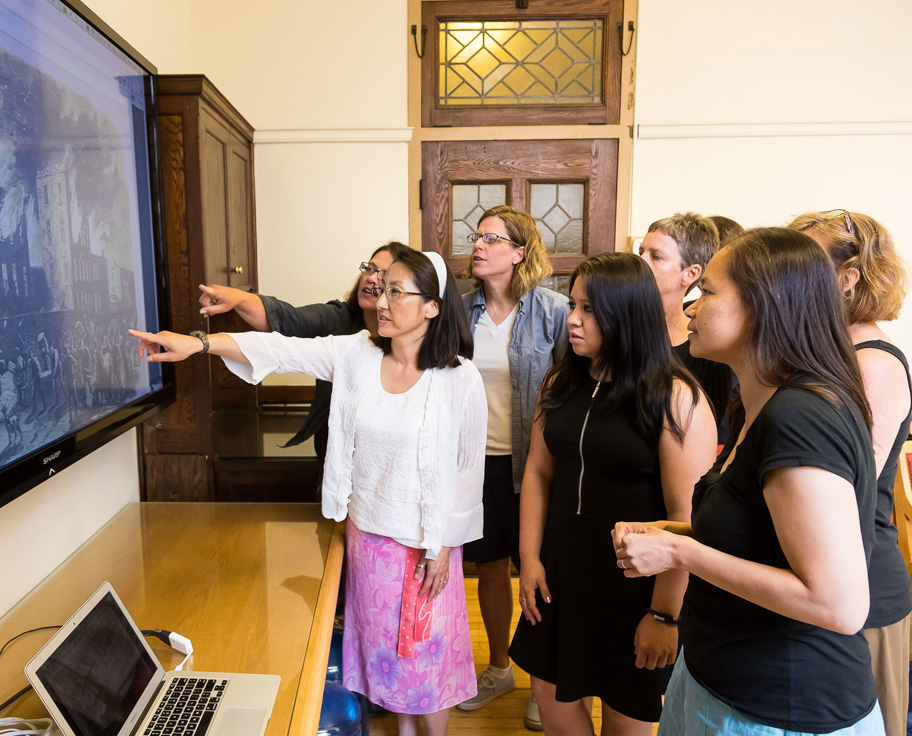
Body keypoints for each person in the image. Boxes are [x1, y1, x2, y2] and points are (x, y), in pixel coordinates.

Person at [131, 248, 486, 736]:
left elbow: (468, 469)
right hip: (370, 538)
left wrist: (445, 544)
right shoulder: (355, 355)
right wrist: (199, 344)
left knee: (424, 655)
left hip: (427, 543)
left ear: (433, 306)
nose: (382, 301)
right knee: (387, 657)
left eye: (397, 292)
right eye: (382, 288)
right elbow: (279, 349)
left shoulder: (458, 378)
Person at [613, 228, 884, 735]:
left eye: (708, 292)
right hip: (720, 685)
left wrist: (680, 555)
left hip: (780, 708)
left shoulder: (800, 415)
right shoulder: (760, 401)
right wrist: (671, 534)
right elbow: (761, 543)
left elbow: (838, 604)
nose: (691, 309)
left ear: (765, 304)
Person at [509, 252, 716, 736]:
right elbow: (538, 473)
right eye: (572, 305)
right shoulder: (561, 381)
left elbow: (688, 517)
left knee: (627, 712)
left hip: (635, 579)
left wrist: (663, 613)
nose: (572, 320)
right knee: (548, 690)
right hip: (560, 566)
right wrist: (530, 557)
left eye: (587, 309)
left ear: (625, 314)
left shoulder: (673, 396)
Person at [788, 210, 911, 736]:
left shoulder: (873, 364)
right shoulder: (832, 355)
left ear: (847, 277)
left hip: (865, 596)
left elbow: (851, 498)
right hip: (825, 585)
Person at [453, 205, 568, 731]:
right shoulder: (458, 311)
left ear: (519, 253)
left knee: (542, 573)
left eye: (491, 238)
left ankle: (541, 680)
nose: (477, 245)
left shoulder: (556, 312)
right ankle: (499, 668)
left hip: (540, 464)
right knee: (492, 567)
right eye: (475, 236)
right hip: (477, 464)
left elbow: (575, 384)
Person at [197, 241, 411, 465]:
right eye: (370, 269)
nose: (372, 278)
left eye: (384, 275)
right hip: (335, 455)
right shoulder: (338, 319)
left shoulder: (409, 338)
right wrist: (237, 297)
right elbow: (287, 319)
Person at [640, 213, 735, 442]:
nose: (641, 262)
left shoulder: (707, 349)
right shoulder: (618, 329)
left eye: (656, 256)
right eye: (641, 252)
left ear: (690, 274)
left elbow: (705, 433)